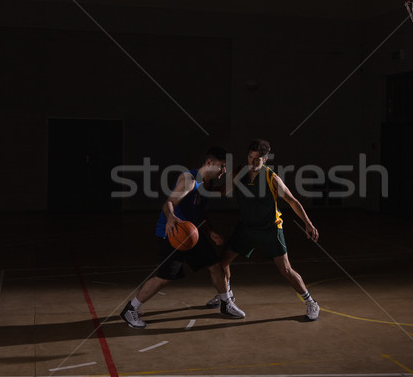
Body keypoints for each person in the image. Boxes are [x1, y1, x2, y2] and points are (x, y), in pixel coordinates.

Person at [120, 147, 245, 329]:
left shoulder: (208, 184)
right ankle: (131, 309)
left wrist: (209, 231)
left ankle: (226, 303)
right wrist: (171, 217)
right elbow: (169, 202)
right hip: (172, 233)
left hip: (191, 233)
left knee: (216, 266)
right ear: (209, 163)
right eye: (222, 166)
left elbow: (201, 209)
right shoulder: (189, 180)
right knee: (164, 277)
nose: (223, 171)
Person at [206, 139, 321, 321]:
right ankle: (226, 297)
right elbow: (223, 191)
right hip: (246, 227)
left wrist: (308, 223)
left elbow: (292, 201)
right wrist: (199, 187)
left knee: (286, 270)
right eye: (250, 157)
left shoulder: (271, 178)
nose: (252, 162)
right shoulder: (240, 172)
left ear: (265, 160)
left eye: (257, 159)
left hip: (269, 228)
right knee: (222, 263)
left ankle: (311, 302)